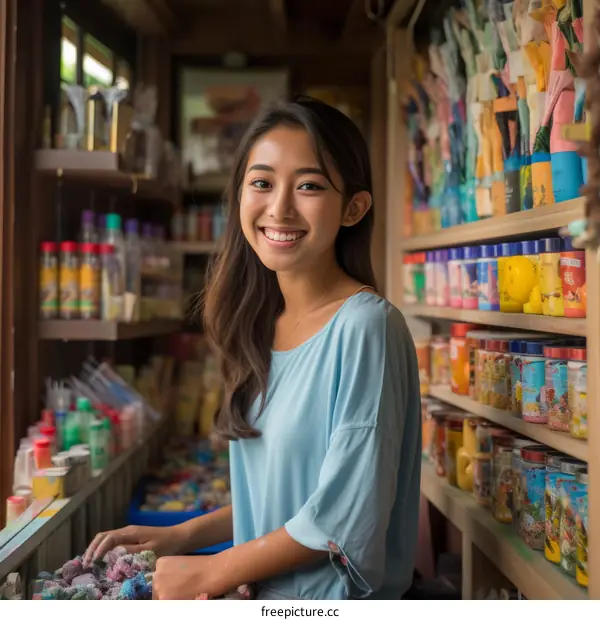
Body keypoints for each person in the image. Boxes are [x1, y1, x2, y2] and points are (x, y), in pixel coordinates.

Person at [84, 96, 422, 600]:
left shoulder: (367, 327)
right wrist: (185, 535)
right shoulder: (262, 326)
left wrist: (209, 571)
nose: (279, 208)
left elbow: (345, 515)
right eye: (261, 183)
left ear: (354, 208)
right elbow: (289, 497)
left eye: (308, 186)